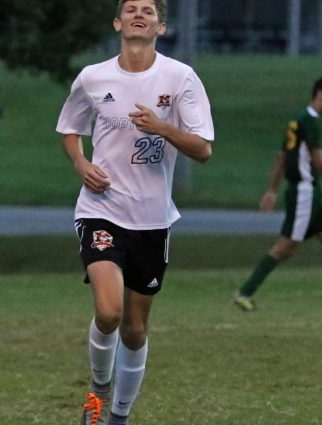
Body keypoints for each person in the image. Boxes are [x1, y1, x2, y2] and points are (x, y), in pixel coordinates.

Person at [56, 1, 214, 423]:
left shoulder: (180, 78)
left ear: (161, 26)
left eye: (148, 10)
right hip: (101, 210)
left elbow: (203, 150)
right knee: (108, 311)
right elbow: (70, 129)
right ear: (118, 22)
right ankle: (98, 389)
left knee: (134, 328)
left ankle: (119, 416)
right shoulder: (93, 77)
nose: (138, 14)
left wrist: (162, 127)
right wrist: (81, 164)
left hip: (152, 219)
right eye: (130, 9)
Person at [232, 75, 322, 313]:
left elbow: (282, 158)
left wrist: (272, 190)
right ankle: (245, 292)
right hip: (304, 193)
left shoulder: (298, 120)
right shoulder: (310, 122)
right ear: (319, 93)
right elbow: (317, 160)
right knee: (287, 246)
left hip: (311, 194)